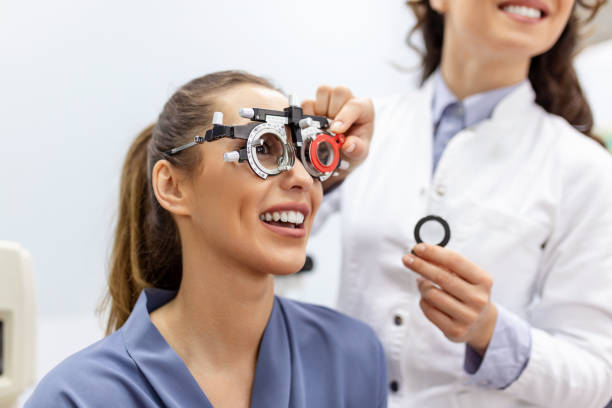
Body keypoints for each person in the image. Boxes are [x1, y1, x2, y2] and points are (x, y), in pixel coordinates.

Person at [305, 0, 612, 406]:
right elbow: (243, 246)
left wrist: (490, 332)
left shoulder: (586, 171)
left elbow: (596, 378)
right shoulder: (362, 130)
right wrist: (318, 170)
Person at [25, 71, 387, 408]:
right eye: (264, 148)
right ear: (172, 185)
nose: (304, 180)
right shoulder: (77, 398)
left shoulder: (350, 356)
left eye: (310, 156)